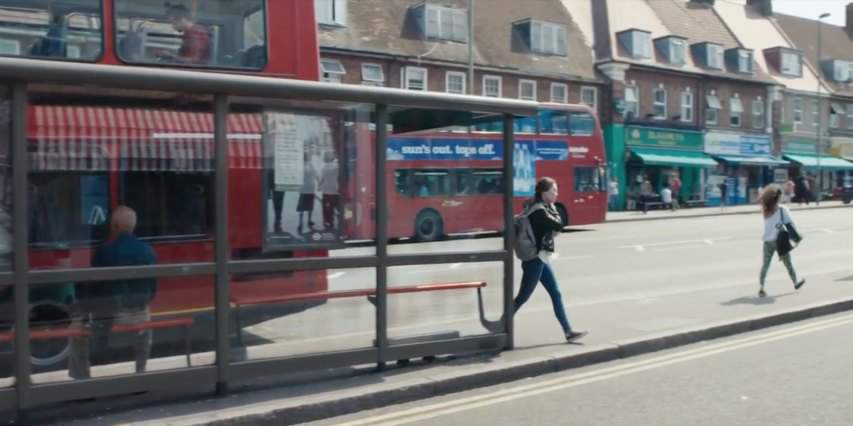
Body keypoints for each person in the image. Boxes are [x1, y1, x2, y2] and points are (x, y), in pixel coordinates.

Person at [70, 206, 157, 379]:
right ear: (133, 226)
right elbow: (153, 289)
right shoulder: (148, 251)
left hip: (111, 316)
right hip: (140, 314)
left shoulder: (104, 251)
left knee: (75, 333)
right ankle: (141, 372)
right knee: (146, 327)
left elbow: (92, 288)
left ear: (114, 226)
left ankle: (81, 380)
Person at [511, 177, 588, 343]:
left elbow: (558, 224)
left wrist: (552, 208)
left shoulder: (543, 207)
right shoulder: (539, 211)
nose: (557, 194)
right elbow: (560, 224)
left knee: (556, 293)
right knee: (523, 297)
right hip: (534, 260)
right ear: (544, 193)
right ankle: (503, 323)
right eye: (554, 190)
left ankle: (568, 331)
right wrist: (554, 210)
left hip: (541, 258)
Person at [757, 185, 805, 297]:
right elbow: (791, 225)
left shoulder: (766, 210)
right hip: (780, 242)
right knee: (788, 264)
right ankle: (796, 282)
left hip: (767, 242)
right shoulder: (783, 210)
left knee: (765, 265)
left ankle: (761, 288)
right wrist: (797, 236)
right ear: (778, 197)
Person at [297, 153, 319, 234]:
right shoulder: (312, 165)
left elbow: (297, 176)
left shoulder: (300, 166)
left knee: (302, 207)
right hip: (311, 189)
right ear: (308, 158)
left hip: (303, 189)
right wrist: (319, 183)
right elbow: (317, 175)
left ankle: (300, 222)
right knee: (310, 206)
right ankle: (309, 220)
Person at [319, 151, 339, 231]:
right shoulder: (337, 166)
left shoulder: (324, 167)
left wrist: (319, 186)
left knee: (327, 209)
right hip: (335, 191)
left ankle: (329, 222)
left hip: (326, 191)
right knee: (337, 207)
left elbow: (321, 179)